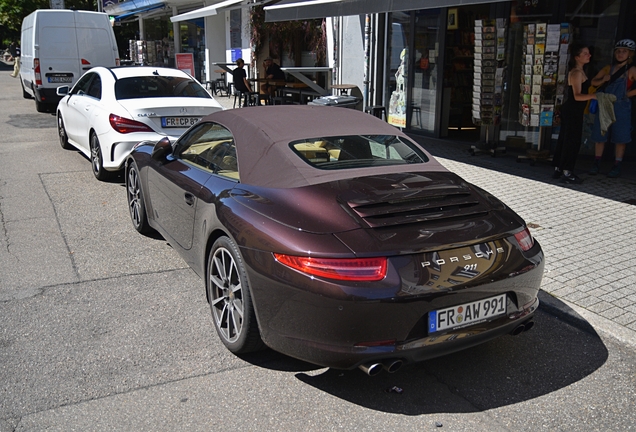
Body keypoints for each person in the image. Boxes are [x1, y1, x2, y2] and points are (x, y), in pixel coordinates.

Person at [588, 39, 636, 178]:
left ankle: (617, 164)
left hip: (622, 106)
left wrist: (628, 94)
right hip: (605, 105)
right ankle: (596, 162)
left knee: (621, 137)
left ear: (630, 54)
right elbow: (593, 81)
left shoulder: (632, 70)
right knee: (599, 135)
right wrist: (603, 80)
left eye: (624, 51)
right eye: (618, 51)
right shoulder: (608, 68)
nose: (620, 54)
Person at [552, 43, 596, 184]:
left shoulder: (581, 71)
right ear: (577, 57)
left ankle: (559, 168)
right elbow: (577, 95)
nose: (588, 55)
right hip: (573, 109)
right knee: (572, 140)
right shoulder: (576, 73)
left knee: (566, 138)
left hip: (573, 110)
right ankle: (567, 171)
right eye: (585, 53)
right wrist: (594, 97)